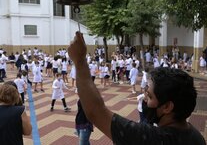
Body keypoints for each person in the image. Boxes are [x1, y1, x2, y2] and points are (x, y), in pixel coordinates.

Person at [68, 32, 206, 145]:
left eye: (150, 96)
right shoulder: (196, 137)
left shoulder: (153, 138)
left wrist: (80, 60)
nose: (145, 99)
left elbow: (95, 112)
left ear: (167, 107)